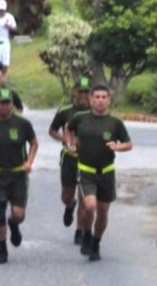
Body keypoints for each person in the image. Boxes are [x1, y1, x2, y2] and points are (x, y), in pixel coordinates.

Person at [64, 84, 133, 261]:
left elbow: (129, 144)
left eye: (104, 97)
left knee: (102, 213)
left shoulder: (115, 123)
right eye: (97, 97)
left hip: (107, 173)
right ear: (91, 100)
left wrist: (118, 147)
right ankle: (86, 233)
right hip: (86, 171)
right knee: (89, 206)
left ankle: (96, 242)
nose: (100, 101)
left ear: (109, 100)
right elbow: (68, 129)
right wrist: (70, 144)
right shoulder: (80, 118)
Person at [0, 91, 38, 264]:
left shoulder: (22, 123)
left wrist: (29, 162)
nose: (5, 106)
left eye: (8, 103)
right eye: (1, 103)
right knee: (0, 212)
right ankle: (2, 249)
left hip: (18, 174)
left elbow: (34, 143)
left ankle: (14, 224)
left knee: (18, 214)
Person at [49, 78, 93, 244]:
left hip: (88, 160)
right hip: (69, 158)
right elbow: (52, 130)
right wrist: (65, 140)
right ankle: (69, 206)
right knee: (67, 195)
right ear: (74, 93)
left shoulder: (94, 112)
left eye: (86, 92)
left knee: (84, 196)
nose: (83, 95)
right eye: (80, 92)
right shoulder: (65, 111)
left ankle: (79, 231)